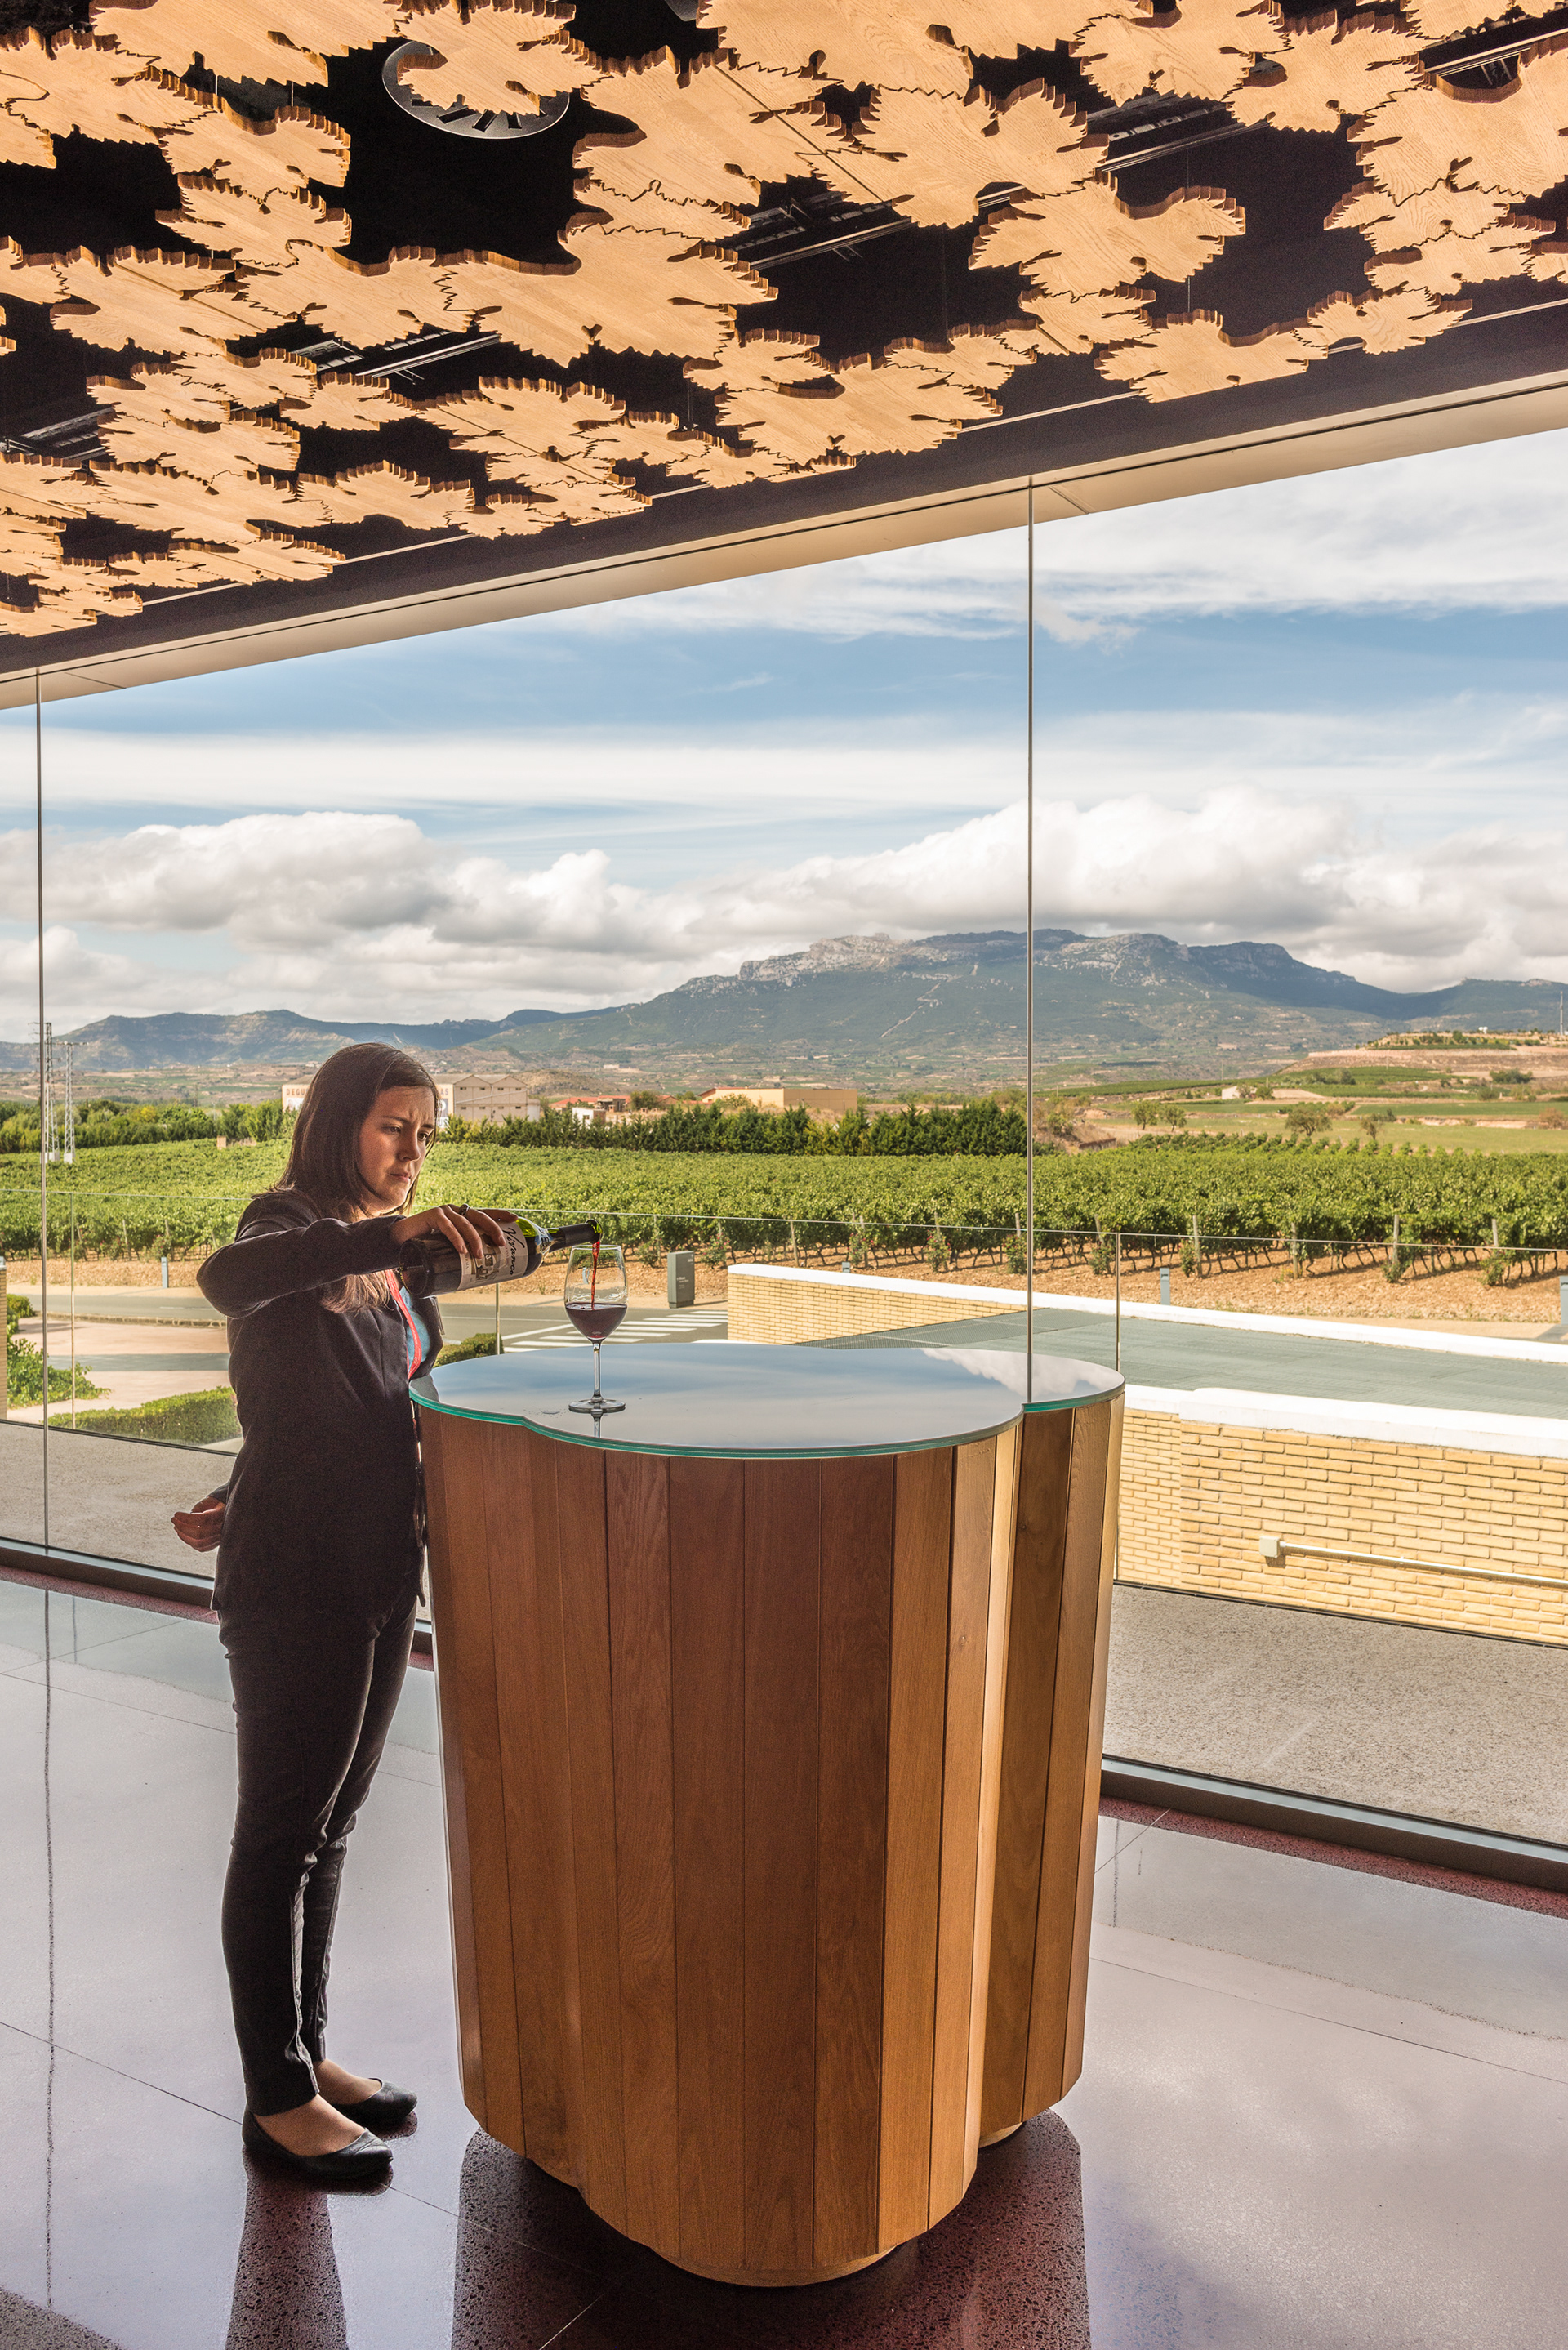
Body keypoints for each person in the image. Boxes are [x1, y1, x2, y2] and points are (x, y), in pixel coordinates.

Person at [175, 1043, 511, 2183]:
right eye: (393, 1129)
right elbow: (232, 1282)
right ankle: (275, 2098)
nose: (414, 1153)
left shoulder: (393, 1268)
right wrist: (393, 1232)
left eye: (427, 1134)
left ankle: (308, 2056)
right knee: (279, 1834)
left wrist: (238, 1476)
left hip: (377, 1569)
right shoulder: (287, 1228)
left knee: (331, 1830)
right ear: (337, 1126)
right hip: (297, 1581)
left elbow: (332, 1406)